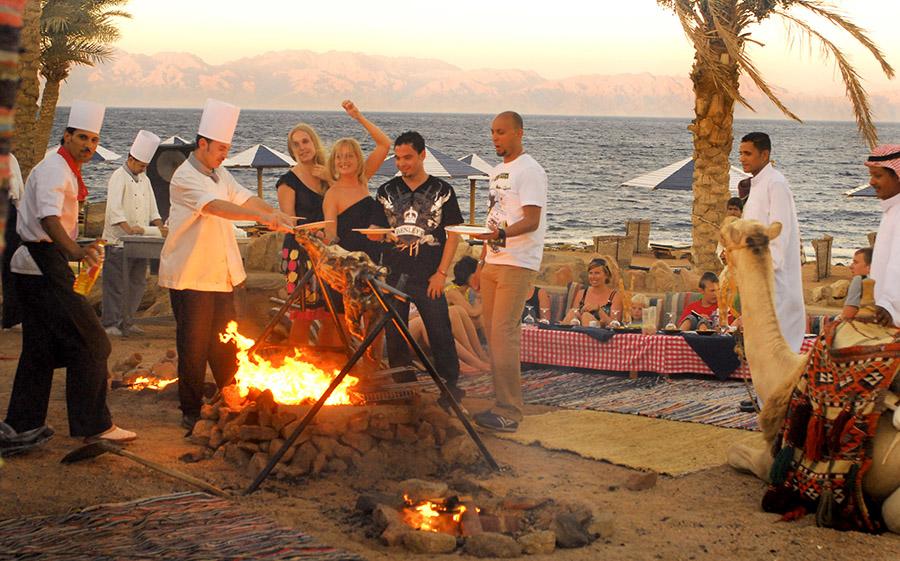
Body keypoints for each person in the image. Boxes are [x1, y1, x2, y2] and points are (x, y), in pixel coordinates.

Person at [2, 100, 135, 446]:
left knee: (40, 350)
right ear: (66, 136)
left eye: (94, 140)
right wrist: (75, 251)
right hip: (43, 264)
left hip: (38, 264)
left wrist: (76, 249)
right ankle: (94, 426)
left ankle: (22, 425)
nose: (89, 146)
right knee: (94, 342)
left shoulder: (63, 170)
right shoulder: (54, 170)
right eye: (82, 138)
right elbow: (48, 218)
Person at [158, 99, 294, 429]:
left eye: (227, 148)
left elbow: (244, 197)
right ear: (202, 144)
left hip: (220, 276)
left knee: (225, 342)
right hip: (192, 275)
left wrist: (272, 213)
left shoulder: (220, 173)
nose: (224, 154)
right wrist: (261, 216)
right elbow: (217, 207)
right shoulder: (184, 177)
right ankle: (190, 411)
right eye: (221, 148)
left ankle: (229, 397)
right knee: (193, 347)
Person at [370, 131, 465, 402]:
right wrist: (374, 234)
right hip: (393, 274)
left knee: (440, 331)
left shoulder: (443, 191)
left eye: (408, 158)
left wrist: (442, 273)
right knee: (396, 335)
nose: (402, 164)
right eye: (398, 158)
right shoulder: (386, 191)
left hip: (429, 276)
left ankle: (450, 388)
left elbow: (453, 234)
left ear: (423, 155)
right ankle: (405, 390)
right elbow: (376, 228)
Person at [471, 111, 548, 433]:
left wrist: (499, 238)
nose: (495, 138)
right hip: (494, 260)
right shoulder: (496, 172)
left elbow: (532, 220)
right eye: (492, 132)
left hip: (517, 262)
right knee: (492, 334)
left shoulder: (530, 171)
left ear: (519, 133)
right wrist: (481, 260)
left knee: (504, 334)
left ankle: (510, 411)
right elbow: (495, 215)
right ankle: (499, 403)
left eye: (501, 132)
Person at [739, 132, 805, 352]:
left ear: (764, 154)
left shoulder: (776, 183)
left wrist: (765, 270)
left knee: (779, 349)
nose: (742, 158)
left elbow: (780, 232)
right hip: (758, 279)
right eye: (740, 153)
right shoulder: (757, 184)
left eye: (748, 153)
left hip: (775, 281)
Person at [100, 130, 166, 337]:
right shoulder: (118, 177)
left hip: (139, 240)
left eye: (145, 166)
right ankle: (111, 322)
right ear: (130, 159)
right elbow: (114, 209)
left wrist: (159, 225)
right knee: (115, 284)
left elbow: (152, 207)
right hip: (118, 241)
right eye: (140, 165)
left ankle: (127, 320)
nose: (142, 169)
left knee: (137, 283)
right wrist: (128, 230)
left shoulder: (144, 179)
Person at [276, 123, 332, 346]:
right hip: (300, 253)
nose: (301, 148)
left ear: (314, 142)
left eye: (305, 141)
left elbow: (347, 202)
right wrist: (316, 231)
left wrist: (332, 178)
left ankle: (324, 363)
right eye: (295, 144)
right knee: (303, 311)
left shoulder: (327, 175)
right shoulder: (288, 182)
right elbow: (289, 223)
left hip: (326, 251)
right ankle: (297, 363)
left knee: (330, 310)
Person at [322, 100, 390, 264]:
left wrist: (358, 117)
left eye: (349, 156)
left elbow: (385, 144)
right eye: (339, 156)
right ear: (334, 161)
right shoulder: (332, 194)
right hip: (350, 264)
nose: (343, 161)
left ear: (358, 159)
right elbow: (331, 237)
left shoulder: (363, 179)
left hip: (372, 260)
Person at [863, 145, 900, 327]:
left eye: (878, 176)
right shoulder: (891, 210)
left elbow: (897, 264)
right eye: (871, 175)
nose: (871, 182)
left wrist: (889, 305)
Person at [561, 257, 623, 326]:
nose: (593, 277)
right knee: (572, 312)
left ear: (606, 275)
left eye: (597, 273)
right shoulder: (581, 293)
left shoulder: (615, 296)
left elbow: (615, 325)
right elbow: (575, 316)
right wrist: (581, 312)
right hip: (580, 329)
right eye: (590, 273)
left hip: (602, 332)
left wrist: (599, 310)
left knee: (586, 316)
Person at [841, 247, 872, 321]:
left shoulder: (860, 279)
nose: (851, 266)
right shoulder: (883, 283)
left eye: (856, 262)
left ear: (869, 267)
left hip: (854, 326)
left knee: (809, 320)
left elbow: (847, 315)